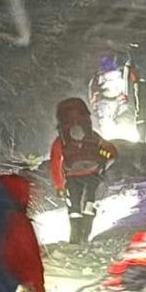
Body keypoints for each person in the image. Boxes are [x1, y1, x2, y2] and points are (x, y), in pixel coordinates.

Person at [49, 98, 117, 245]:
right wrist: (103, 160)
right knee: (89, 205)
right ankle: (85, 236)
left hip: (72, 177)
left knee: (74, 208)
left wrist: (59, 186)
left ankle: (74, 240)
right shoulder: (92, 136)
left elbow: (55, 162)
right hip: (93, 175)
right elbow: (110, 152)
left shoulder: (62, 139)